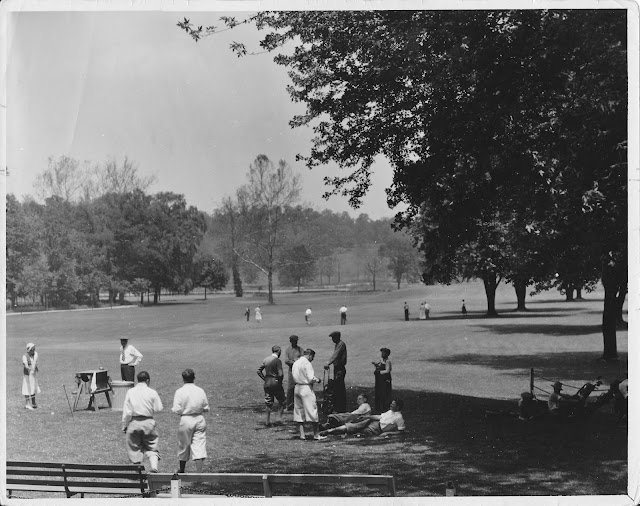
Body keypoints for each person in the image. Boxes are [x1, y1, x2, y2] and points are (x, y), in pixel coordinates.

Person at [121, 371, 163, 472]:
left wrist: (124, 425)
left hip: (134, 422)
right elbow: (158, 408)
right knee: (152, 445)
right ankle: (154, 467)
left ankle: (138, 471)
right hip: (148, 422)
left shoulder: (131, 392)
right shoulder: (152, 392)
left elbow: (126, 411)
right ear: (148, 380)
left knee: (134, 447)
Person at [171, 369, 210, 473]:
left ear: (183, 379)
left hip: (186, 418)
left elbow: (177, 409)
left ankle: (182, 469)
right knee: (199, 443)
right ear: (194, 378)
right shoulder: (200, 390)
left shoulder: (180, 391)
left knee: (184, 444)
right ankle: (199, 472)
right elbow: (206, 407)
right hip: (199, 418)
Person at [320, 399, 406, 437]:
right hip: (372, 422)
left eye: (393, 404)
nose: (391, 405)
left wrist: (387, 434)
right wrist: (368, 416)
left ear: (398, 407)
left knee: (355, 430)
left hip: (377, 428)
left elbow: (401, 432)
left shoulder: (399, 418)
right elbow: (379, 417)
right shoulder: (390, 411)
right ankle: (329, 430)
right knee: (354, 425)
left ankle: (329, 430)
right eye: (391, 404)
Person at [292, 349, 326, 440]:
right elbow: (311, 378)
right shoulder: (307, 363)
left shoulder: (296, 362)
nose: (312, 359)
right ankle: (316, 434)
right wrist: (318, 380)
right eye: (312, 357)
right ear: (310, 355)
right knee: (312, 410)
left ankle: (302, 435)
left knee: (299, 411)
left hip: (297, 387)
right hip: (306, 388)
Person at [257, 345, 286, 426]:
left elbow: (258, 371)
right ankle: (278, 418)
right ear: (279, 351)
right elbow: (280, 374)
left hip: (267, 383)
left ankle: (267, 421)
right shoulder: (277, 361)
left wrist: (265, 379)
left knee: (268, 403)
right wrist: (279, 381)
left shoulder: (266, 359)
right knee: (282, 400)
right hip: (275, 383)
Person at [324, 331, 347, 413]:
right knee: (337, 387)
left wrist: (328, 363)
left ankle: (341, 407)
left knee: (339, 387)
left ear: (337, 337)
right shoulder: (337, 344)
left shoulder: (341, 344)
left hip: (340, 369)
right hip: (336, 368)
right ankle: (338, 406)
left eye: (333, 338)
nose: (332, 340)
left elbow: (336, 354)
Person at [284, 335, 303, 411]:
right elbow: (286, 360)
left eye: (296, 340)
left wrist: (296, 361)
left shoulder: (300, 349)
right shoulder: (288, 349)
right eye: (294, 341)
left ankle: (299, 405)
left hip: (299, 371)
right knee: (290, 388)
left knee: (300, 387)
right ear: (291, 341)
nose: (295, 342)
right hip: (291, 371)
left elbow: (303, 358)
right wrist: (294, 362)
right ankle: (289, 405)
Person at [373, 348, 392, 413]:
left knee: (385, 393)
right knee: (379, 392)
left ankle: (385, 407)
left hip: (385, 379)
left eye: (384, 353)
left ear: (387, 354)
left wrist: (380, 372)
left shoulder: (387, 361)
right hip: (380, 380)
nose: (382, 354)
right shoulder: (382, 361)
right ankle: (378, 407)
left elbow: (388, 370)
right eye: (382, 353)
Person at [22, 343, 41, 410]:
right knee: (27, 388)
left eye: (34, 349)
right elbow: (26, 365)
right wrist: (30, 368)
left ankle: (33, 403)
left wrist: (34, 368)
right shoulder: (24, 356)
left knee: (33, 388)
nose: (34, 350)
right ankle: (27, 404)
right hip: (27, 375)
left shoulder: (35, 354)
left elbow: (35, 361)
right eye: (33, 349)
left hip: (33, 375)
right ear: (29, 350)